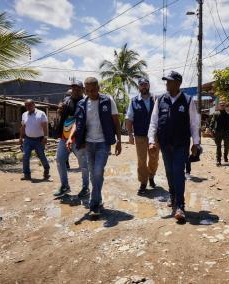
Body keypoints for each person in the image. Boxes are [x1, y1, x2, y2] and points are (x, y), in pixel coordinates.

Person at [148, 71, 200, 222]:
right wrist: (152, 140)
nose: (166, 84)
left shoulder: (188, 100)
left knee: (178, 172)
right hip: (165, 144)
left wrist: (196, 144)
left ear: (178, 83)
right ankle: (172, 195)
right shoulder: (160, 99)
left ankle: (180, 206)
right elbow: (154, 122)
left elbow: (194, 124)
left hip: (181, 144)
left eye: (169, 81)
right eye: (166, 81)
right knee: (170, 172)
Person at [67, 77, 122, 216]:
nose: (90, 93)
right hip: (88, 144)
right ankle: (98, 199)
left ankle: (93, 205)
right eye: (87, 90)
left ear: (98, 88)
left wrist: (119, 140)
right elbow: (76, 123)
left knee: (97, 172)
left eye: (93, 90)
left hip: (103, 143)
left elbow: (116, 121)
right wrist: (69, 137)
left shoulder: (108, 101)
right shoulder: (82, 103)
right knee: (95, 174)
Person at [53, 81, 89, 197]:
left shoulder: (86, 102)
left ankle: (85, 187)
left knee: (83, 165)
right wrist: (60, 110)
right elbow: (61, 116)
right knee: (59, 160)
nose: (75, 91)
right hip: (64, 138)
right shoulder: (66, 101)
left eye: (78, 89)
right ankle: (65, 186)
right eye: (73, 89)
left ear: (82, 90)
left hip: (79, 139)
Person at [126, 78, 159, 195]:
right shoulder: (134, 101)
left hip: (154, 136)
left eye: (146, 84)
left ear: (149, 86)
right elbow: (129, 119)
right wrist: (130, 135)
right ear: (138, 87)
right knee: (141, 160)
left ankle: (151, 175)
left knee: (154, 158)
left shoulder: (156, 99)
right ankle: (143, 182)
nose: (144, 87)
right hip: (140, 135)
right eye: (141, 85)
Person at [19, 99, 50, 180]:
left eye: (29, 105)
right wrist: (21, 137)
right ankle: (27, 174)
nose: (27, 107)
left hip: (39, 140)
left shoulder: (41, 114)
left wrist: (45, 137)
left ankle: (46, 171)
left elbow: (45, 126)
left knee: (41, 156)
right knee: (25, 156)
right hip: (28, 139)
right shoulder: (24, 114)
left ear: (34, 105)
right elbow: (23, 127)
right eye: (26, 105)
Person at [210, 101, 229, 166]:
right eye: (221, 105)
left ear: (225, 106)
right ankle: (218, 160)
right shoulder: (216, 114)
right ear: (219, 106)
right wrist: (211, 129)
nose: (222, 106)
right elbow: (212, 122)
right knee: (218, 146)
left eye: (223, 105)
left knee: (227, 146)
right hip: (218, 131)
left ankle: (225, 156)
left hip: (226, 132)